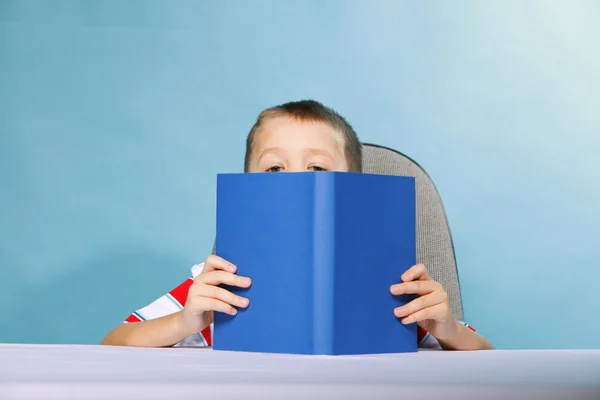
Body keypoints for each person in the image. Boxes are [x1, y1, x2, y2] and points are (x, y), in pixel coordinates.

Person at [101, 100, 494, 351]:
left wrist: (446, 329)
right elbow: (114, 342)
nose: (297, 183)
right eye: (274, 168)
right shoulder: (218, 286)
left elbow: (486, 357)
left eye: (317, 168)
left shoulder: (392, 290)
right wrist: (186, 321)